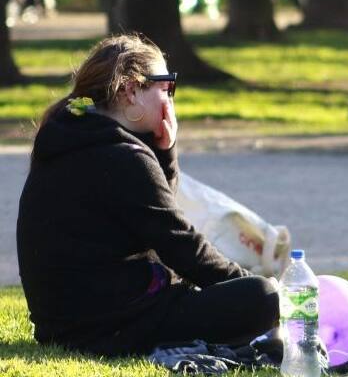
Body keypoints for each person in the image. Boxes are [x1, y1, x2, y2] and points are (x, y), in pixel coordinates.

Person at [16, 34, 279, 357]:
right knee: (261, 297)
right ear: (130, 90)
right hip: (112, 328)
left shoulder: (69, 135)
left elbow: (156, 217)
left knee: (230, 294)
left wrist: (165, 151)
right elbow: (183, 247)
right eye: (165, 86)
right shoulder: (122, 156)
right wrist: (270, 294)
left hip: (68, 324)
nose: (170, 97)